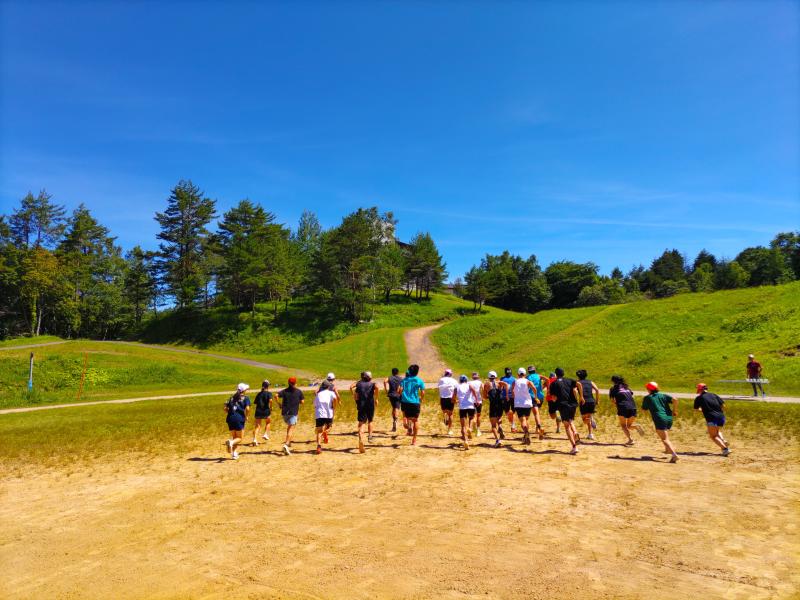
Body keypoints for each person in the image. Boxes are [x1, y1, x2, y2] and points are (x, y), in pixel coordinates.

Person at [641, 382, 679, 463]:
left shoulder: (648, 397)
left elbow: (644, 409)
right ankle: (667, 450)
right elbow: (675, 400)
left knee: (665, 439)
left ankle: (674, 455)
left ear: (649, 389)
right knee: (663, 434)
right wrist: (675, 410)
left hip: (659, 418)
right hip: (669, 418)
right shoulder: (663, 395)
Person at [548, 368, 580, 454]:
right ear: (563, 373)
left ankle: (574, 447)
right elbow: (579, 384)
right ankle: (575, 432)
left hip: (563, 405)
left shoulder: (553, 383)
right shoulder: (570, 380)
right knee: (570, 420)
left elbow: (554, 398)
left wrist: (554, 400)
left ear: (556, 374)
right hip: (573, 405)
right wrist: (581, 397)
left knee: (566, 426)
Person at [694, 383, 731, 456]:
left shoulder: (699, 398)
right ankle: (723, 440)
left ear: (699, 389)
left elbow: (696, 409)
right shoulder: (714, 395)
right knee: (717, 431)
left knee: (713, 436)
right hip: (721, 417)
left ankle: (725, 449)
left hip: (711, 418)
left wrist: (703, 410)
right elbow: (723, 405)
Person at [609, 375, 644, 445]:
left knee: (623, 425)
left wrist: (616, 405)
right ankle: (636, 426)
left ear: (613, 381)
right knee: (628, 426)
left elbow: (612, 400)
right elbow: (631, 395)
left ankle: (631, 440)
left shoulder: (613, 388)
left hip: (623, 407)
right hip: (633, 407)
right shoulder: (626, 387)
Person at [350, 371, 379, 453]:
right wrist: (376, 398)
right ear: (370, 377)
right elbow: (377, 387)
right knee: (370, 421)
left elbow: (352, 390)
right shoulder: (372, 384)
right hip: (370, 405)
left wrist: (355, 397)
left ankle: (361, 439)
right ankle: (370, 436)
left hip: (361, 405)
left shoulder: (359, 384)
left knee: (361, 423)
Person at [277, 377, 305, 455]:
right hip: (293, 412)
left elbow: (276, 395)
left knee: (289, 426)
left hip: (284, 413)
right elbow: (302, 401)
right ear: (295, 383)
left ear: (288, 383)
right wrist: (297, 401)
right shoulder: (298, 391)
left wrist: (279, 404)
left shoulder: (284, 391)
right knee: (291, 429)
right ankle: (286, 445)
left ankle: (289, 442)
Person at [511, 368, 538, 445]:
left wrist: (514, 396)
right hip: (527, 403)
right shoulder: (527, 381)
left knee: (523, 420)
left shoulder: (515, 381)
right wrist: (535, 397)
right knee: (525, 420)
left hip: (519, 404)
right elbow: (534, 388)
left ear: (518, 374)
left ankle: (526, 433)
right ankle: (525, 436)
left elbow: (512, 391)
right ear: (525, 374)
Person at [224, 383, 251, 460]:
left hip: (230, 418)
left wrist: (230, 412)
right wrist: (246, 416)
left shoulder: (231, 397)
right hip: (239, 419)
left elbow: (225, 408)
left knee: (234, 437)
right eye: (246, 389)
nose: (246, 390)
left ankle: (234, 454)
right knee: (239, 438)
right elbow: (248, 408)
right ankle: (231, 442)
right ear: (243, 390)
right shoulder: (245, 398)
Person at [400, 364, 425, 445]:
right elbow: (423, 392)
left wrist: (401, 394)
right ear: (417, 372)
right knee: (415, 420)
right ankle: (414, 439)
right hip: (415, 402)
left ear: (409, 371)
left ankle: (405, 422)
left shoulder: (404, 380)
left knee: (405, 414)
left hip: (405, 401)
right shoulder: (419, 380)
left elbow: (400, 390)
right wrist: (421, 398)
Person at [483, 371, 509, 447]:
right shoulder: (499, 383)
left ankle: (498, 440)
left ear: (489, 377)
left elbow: (484, 396)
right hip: (500, 403)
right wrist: (507, 395)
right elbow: (507, 385)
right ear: (496, 376)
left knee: (493, 425)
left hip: (493, 404)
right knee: (499, 417)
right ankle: (500, 426)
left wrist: (488, 396)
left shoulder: (486, 384)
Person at [455, 374, 480, 449]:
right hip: (470, 405)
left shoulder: (457, 386)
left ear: (460, 380)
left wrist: (455, 400)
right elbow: (474, 391)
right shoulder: (469, 385)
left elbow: (453, 397)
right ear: (466, 380)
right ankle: (470, 428)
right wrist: (476, 400)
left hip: (462, 407)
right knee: (471, 418)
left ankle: (465, 441)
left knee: (463, 426)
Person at [313, 381, 338, 454]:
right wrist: (334, 407)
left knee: (319, 431)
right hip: (328, 413)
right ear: (328, 387)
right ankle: (324, 433)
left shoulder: (318, 394)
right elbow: (335, 399)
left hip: (319, 414)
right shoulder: (331, 393)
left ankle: (319, 446)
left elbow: (315, 405)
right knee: (329, 427)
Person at [575, 369, 600, 440]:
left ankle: (591, 420)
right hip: (592, 401)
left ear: (578, 376)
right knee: (588, 417)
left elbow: (574, 390)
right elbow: (597, 390)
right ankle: (590, 434)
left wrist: (576, 399)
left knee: (584, 420)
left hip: (583, 402)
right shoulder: (590, 382)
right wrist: (597, 400)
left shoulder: (577, 382)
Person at [525, 366, 546, 440]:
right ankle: (537, 428)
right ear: (535, 370)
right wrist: (545, 386)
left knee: (534, 414)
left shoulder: (528, 377)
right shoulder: (538, 376)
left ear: (528, 371)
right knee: (537, 413)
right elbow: (547, 379)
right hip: (541, 397)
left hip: (533, 397)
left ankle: (539, 428)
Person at [437, 369, 458, 436]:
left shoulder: (441, 380)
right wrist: (455, 398)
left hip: (443, 398)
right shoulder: (454, 380)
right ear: (450, 374)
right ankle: (449, 430)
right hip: (450, 398)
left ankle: (445, 419)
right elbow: (456, 389)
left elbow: (439, 388)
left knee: (444, 411)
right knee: (450, 414)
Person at [251, 379, 272, 445]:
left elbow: (255, 402)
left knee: (257, 426)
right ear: (268, 386)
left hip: (258, 411)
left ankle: (254, 439)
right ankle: (265, 434)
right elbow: (271, 400)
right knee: (268, 422)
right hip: (266, 410)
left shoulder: (259, 394)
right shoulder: (269, 393)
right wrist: (271, 407)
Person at [383, 368, 404, 432]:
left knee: (394, 407)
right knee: (397, 408)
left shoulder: (390, 378)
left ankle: (394, 420)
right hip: (398, 394)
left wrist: (386, 389)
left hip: (391, 394)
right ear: (398, 372)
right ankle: (395, 421)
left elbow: (384, 381)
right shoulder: (401, 378)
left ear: (392, 372)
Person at [500, 367, 517, 435]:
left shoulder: (502, 378)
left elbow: (500, 387)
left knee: (507, 411)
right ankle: (513, 425)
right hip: (512, 397)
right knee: (513, 411)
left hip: (505, 397)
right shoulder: (514, 379)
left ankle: (512, 424)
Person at [469, 372, 484, 437]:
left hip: (471, 400)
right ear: (478, 377)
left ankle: (470, 428)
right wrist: (482, 397)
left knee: (471, 416)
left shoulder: (469, 383)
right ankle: (478, 430)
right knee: (478, 415)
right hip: (479, 401)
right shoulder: (480, 383)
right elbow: (483, 390)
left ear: (472, 377)